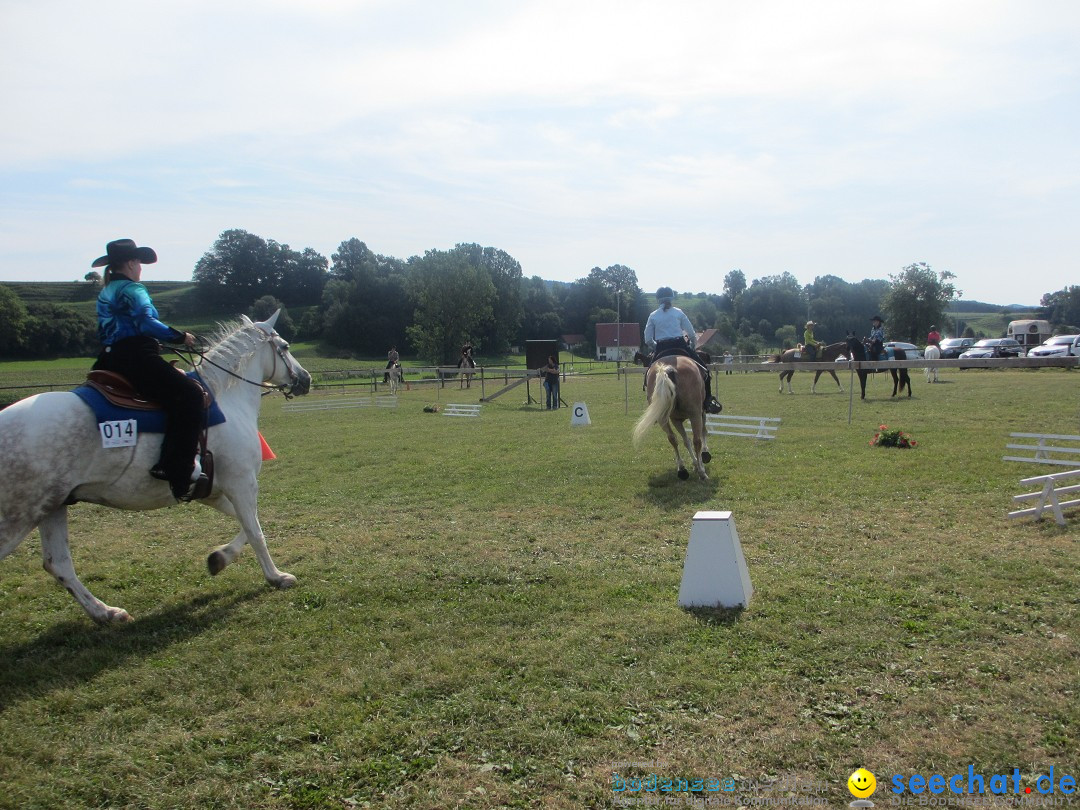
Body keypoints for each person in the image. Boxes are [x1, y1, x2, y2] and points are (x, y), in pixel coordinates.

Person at [90, 239, 208, 501]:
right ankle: (176, 468)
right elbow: (146, 322)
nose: (141, 269)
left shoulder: (106, 291)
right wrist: (179, 337)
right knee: (190, 395)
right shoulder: (133, 289)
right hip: (137, 359)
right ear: (131, 263)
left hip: (108, 359)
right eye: (139, 264)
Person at [643, 286, 722, 414]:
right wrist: (691, 346)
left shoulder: (653, 315)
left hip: (661, 347)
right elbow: (691, 333)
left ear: (658, 300)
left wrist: (655, 346)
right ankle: (707, 401)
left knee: (648, 375)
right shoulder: (678, 312)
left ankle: (652, 406)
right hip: (680, 345)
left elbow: (647, 339)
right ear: (671, 298)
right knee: (705, 371)